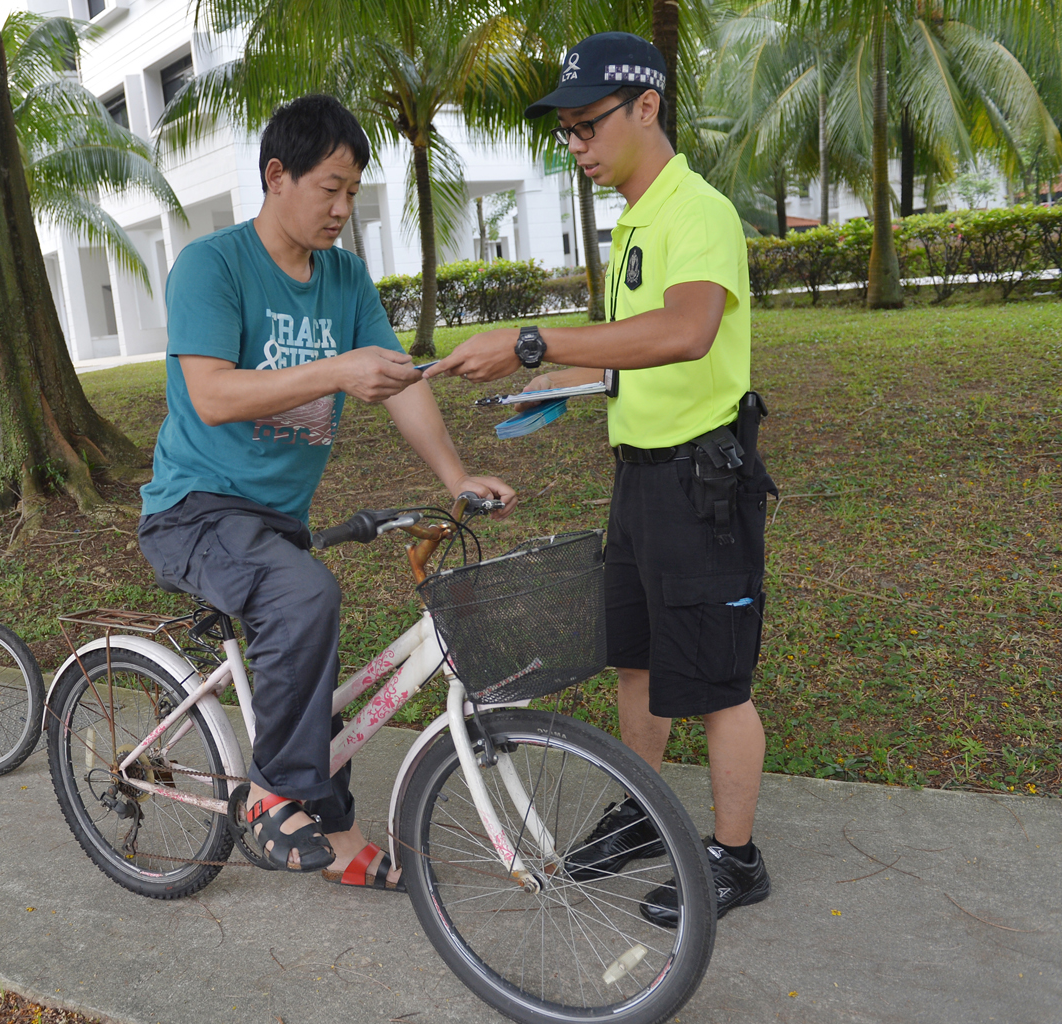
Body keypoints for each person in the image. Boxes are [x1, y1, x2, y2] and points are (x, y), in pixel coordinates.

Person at [428, 32, 778, 925]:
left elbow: (687, 329)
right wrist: (571, 382)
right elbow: (643, 350)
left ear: (647, 107)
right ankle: (640, 811)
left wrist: (535, 341)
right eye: (567, 133)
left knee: (718, 683)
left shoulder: (694, 210)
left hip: (703, 484)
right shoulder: (635, 218)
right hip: (643, 476)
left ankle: (736, 858)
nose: (575, 145)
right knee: (635, 657)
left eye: (587, 125)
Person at [137, 95, 516, 891]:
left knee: (315, 639)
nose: (344, 209)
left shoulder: (342, 277)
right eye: (330, 188)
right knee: (306, 597)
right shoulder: (214, 265)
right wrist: (339, 370)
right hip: (193, 511)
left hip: (274, 520)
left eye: (353, 191)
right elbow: (211, 394)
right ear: (278, 176)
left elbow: (401, 382)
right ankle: (274, 794)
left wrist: (454, 474)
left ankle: (333, 829)